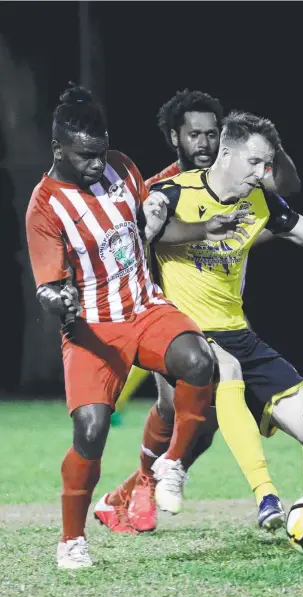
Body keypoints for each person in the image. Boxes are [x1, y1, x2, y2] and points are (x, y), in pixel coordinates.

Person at [102, 110, 303, 558]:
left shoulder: (259, 202)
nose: (263, 174)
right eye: (255, 163)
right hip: (186, 336)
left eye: (267, 165)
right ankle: (263, 495)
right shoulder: (170, 193)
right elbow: (143, 235)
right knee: (214, 382)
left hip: (239, 334)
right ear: (226, 153)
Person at [25, 84, 249, 569]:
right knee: (91, 431)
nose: (94, 163)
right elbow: (47, 285)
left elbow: (153, 228)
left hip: (144, 307)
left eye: (99, 152)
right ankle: (71, 539)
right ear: (57, 148)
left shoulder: (121, 167)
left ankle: (170, 466)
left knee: (198, 362)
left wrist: (203, 229)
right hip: (93, 328)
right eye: (84, 156)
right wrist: (56, 298)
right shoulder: (45, 206)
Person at [112, 89, 300, 422]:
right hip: (168, 310)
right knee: (179, 412)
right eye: (194, 134)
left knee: (204, 413)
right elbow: (131, 247)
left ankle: (158, 469)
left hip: (220, 307)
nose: (204, 143)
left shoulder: (234, 178)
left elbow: (287, 186)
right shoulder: (159, 189)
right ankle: (146, 458)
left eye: (211, 134)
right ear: (175, 137)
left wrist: (273, 145)